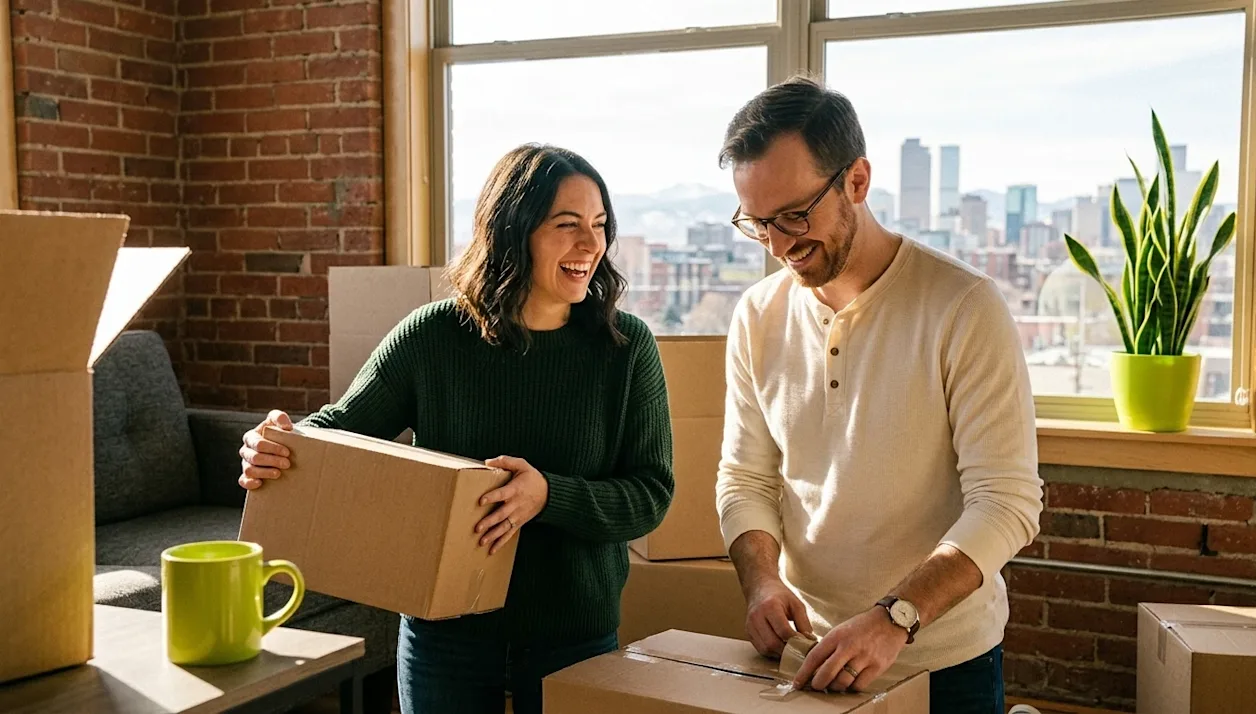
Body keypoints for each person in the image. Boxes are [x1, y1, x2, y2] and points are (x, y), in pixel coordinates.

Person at [237, 144, 675, 714]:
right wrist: (277, 445)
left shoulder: (626, 349)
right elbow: (337, 432)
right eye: (567, 225)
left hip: (574, 639)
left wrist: (548, 495)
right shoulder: (434, 336)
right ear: (513, 230)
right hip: (445, 636)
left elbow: (649, 496)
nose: (591, 245)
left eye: (599, 226)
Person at [714, 75, 1043, 714]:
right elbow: (745, 478)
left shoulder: (963, 307)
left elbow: (1007, 502)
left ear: (857, 182)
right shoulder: (757, 316)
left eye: (794, 216)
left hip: (943, 662)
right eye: (758, 225)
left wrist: (894, 618)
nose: (780, 247)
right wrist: (760, 583)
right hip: (809, 657)